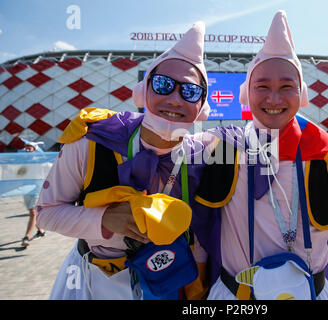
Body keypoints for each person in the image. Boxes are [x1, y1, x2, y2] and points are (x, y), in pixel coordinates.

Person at [188, 10, 328, 300]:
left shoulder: (325, 151)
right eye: (262, 86)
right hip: (235, 295)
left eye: (286, 87)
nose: (274, 98)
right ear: (246, 94)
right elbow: (166, 147)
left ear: (301, 93)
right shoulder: (225, 146)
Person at [36, 22, 211, 300]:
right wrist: (102, 219)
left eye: (190, 92)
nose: (175, 99)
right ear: (143, 92)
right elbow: (45, 212)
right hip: (96, 281)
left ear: (201, 107)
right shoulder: (92, 141)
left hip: (167, 279)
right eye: (163, 84)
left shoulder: (202, 155)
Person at [21, 140, 46, 247]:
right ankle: (41, 231)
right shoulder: (22, 161)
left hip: (37, 189)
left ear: (34, 150)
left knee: (32, 212)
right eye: (26, 148)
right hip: (25, 189)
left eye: (29, 148)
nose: (27, 150)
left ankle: (26, 237)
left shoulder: (40, 161)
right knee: (31, 212)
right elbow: (19, 174)